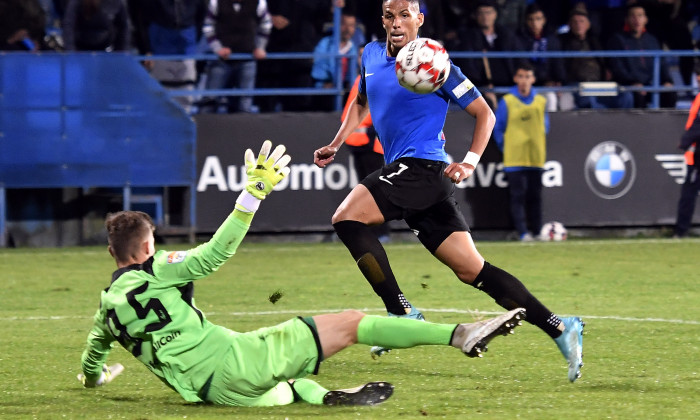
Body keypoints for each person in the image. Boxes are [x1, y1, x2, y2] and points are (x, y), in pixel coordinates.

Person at [77, 140, 527, 406]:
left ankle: (322, 397)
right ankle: (459, 335)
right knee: (351, 323)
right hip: (234, 363)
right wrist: (251, 196)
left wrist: (97, 378)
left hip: (210, 394)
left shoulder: (105, 310)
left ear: (113, 254)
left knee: (289, 383)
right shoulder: (158, 268)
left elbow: (91, 362)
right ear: (147, 247)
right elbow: (214, 254)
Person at [313, 0, 585, 383]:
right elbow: (361, 101)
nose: (396, 22)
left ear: (419, 19)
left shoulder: (436, 64)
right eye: (389, 15)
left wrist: (470, 161)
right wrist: (337, 142)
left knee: (346, 217)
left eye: (405, 14)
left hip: (422, 168)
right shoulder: (370, 54)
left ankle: (402, 312)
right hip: (406, 174)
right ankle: (561, 327)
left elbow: (485, 114)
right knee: (472, 270)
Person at [493, 62, 548, 242]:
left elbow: (545, 127)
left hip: (535, 157)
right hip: (514, 158)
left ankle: (538, 231)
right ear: (516, 78)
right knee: (518, 196)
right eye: (521, 76)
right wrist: (506, 147)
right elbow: (498, 128)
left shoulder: (541, 102)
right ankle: (523, 232)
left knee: (535, 196)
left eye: (528, 76)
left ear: (533, 79)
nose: (524, 81)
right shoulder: (507, 101)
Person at [129, 0, 207, 114]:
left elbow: (200, 20)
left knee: (185, 97)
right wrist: (146, 49)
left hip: (187, 50)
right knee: (159, 98)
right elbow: (140, 21)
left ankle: (183, 126)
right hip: (159, 50)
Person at [199, 0, 271, 114]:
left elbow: (266, 24)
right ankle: (204, 130)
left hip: (247, 58)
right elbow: (208, 27)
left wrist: (260, 46)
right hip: (221, 60)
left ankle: (245, 131)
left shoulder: (259, 3)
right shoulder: (216, 3)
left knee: (245, 103)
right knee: (209, 101)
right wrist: (218, 48)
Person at [449, 0, 522, 110]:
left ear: (495, 14)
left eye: (488, 12)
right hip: (481, 87)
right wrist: (482, 88)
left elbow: (519, 61)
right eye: (481, 13)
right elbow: (468, 68)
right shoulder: (469, 38)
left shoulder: (507, 35)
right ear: (475, 16)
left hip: (508, 85)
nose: (485, 17)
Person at [558, 7, 633, 109]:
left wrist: (607, 70)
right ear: (570, 25)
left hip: (599, 84)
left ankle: (622, 124)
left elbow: (606, 61)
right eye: (575, 22)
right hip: (577, 85)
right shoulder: (562, 42)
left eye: (581, 21)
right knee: (589, 100)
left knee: (625, 96)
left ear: (588, 24)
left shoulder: (596, 41)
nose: (578, 25)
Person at [606, 4, 676, 108]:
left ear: (645, 19)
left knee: (669, 93)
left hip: (651, 83)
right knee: (637, 95)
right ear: (627, 19)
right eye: (633, 16)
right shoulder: (617, 40)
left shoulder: (652, 40)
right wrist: (633, 82)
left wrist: (667, 80)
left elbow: (662, 63)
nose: (636, 19)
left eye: (640, 15)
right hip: (629, 84)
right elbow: (618, 68)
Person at [515, 3, 567, 112]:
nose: (534, 23)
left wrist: (558, 81)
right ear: (526, 21)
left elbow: (557, 64)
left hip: (548, 84)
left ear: (544, 20)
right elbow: (522, 64)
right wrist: (541, 81)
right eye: (531, 19)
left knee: (560, 100)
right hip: (528, 84)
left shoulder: (552, 40)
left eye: (538, 19)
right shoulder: (519, 40)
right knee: (549, 98)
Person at [310, 12, 358, 111]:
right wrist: (326, 83)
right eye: (344, 24)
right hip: (325, 87)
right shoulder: (325, 44)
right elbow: (319, 68)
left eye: (352, 25)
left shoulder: (353, 48)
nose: (348, 29)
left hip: (346, 90)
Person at [673, 65, 700, 238]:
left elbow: (698, 125)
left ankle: (681, 231)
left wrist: (685, 141)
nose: (698, 78)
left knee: (689, 193)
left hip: (698, 154)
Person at [62, 0, 130, 52]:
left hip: (106, 49)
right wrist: (70, 52)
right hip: (81, 50)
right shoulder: (76, 2)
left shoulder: (116, 2)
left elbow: (124, 26)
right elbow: (68, 26)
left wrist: (122, 51)